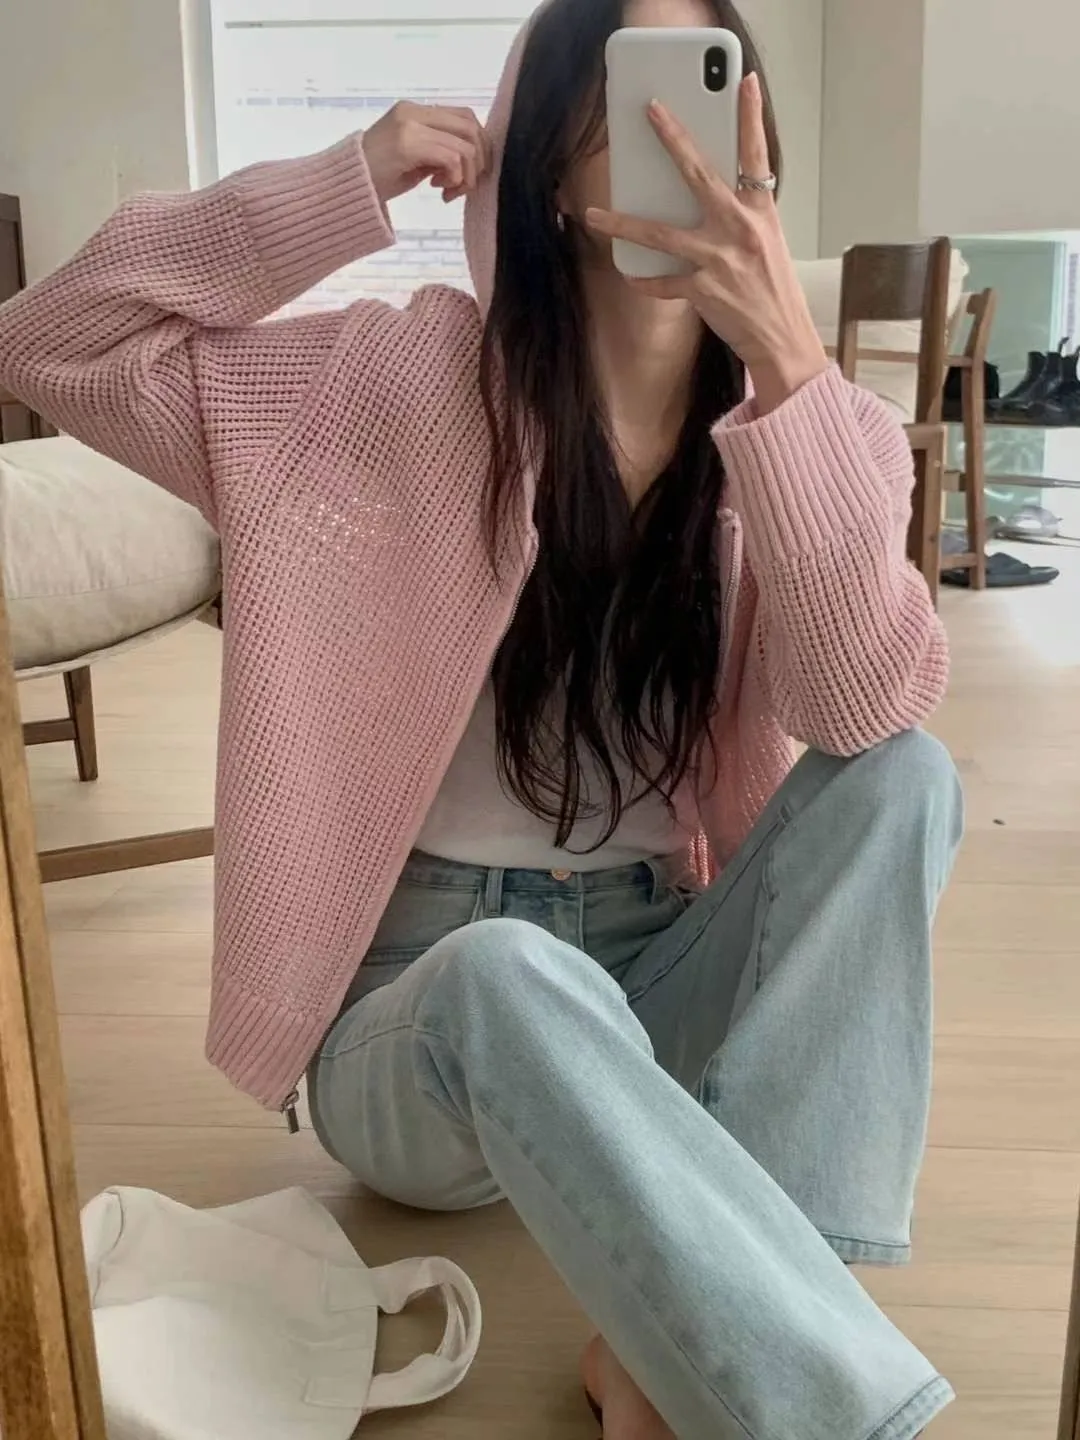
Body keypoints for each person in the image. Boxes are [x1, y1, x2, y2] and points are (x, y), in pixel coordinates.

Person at [0, 0, 964, 1434]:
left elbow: (859, 708)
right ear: (550, 164)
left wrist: (790, 373)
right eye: (634, 106)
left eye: (712, 101)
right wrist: (340, 186)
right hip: (426, 1020)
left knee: (910, 774)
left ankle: (683, 1350)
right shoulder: (389, 383)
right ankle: (806, 1399)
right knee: (506, 973)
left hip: (653, 985)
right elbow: (52, 341)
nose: (685, 147)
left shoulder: (821, 430)